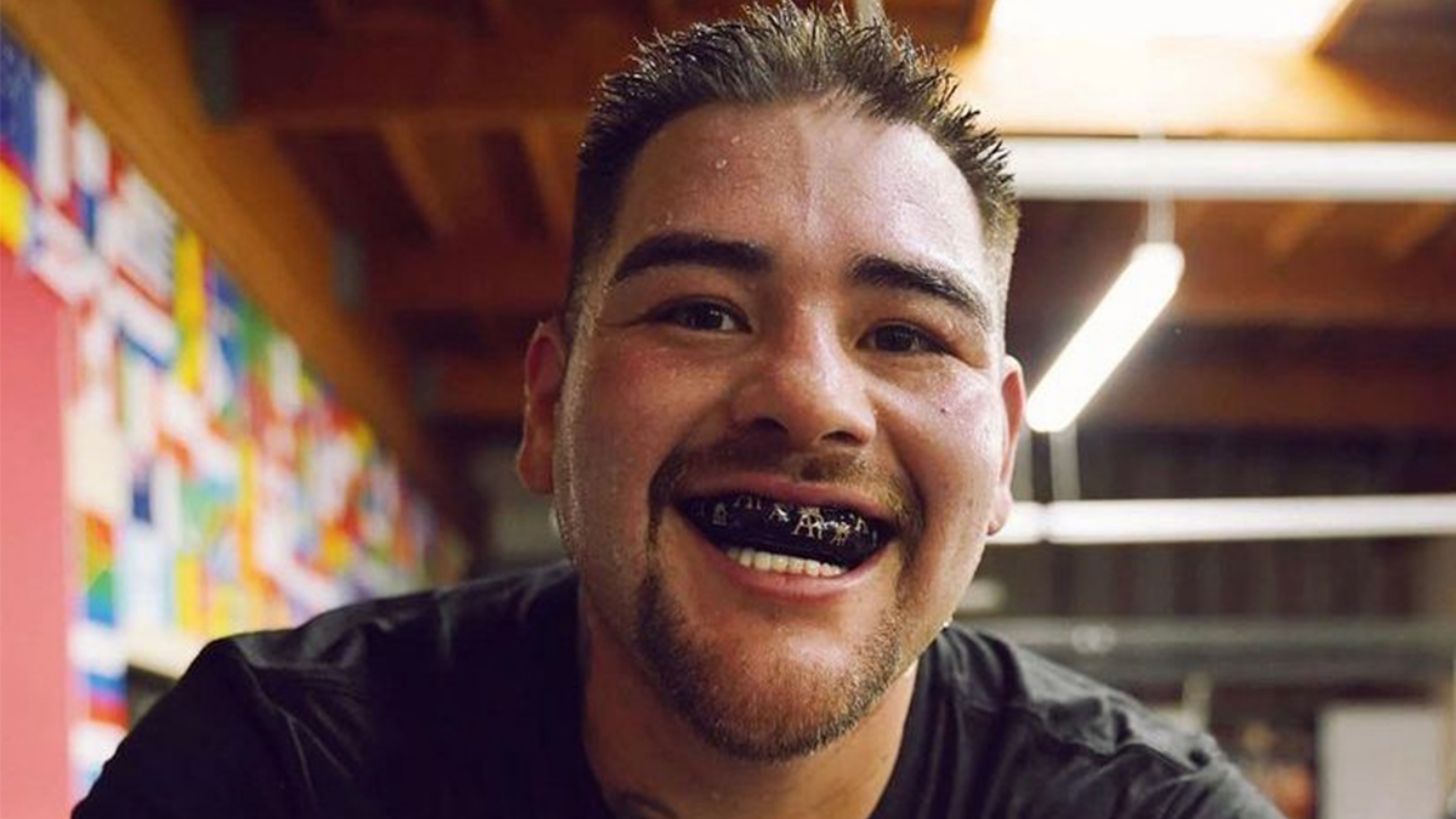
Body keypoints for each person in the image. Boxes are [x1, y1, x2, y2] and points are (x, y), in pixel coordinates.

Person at [76, 4, 1283, 817]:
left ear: (1002, 446)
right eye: (703, 312)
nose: (809, 398)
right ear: (547, 405)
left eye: (907, 336)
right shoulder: (274, 772)